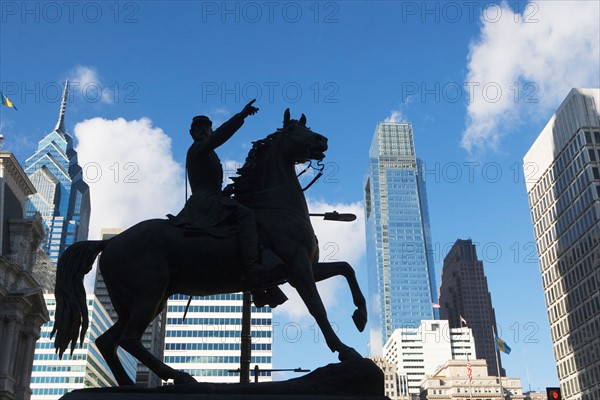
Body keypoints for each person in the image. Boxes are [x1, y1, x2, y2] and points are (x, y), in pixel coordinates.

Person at [168, 100, 261, 280]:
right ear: (191, 133)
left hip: (213, 197)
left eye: (206, 127)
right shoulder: (198, 149)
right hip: (205, 201)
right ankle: (252, 267)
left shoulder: (209, 152)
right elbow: (220, 136)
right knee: (246, 215)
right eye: (198, 128)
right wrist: (241, 116)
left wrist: (225, 192)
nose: (203, 130)